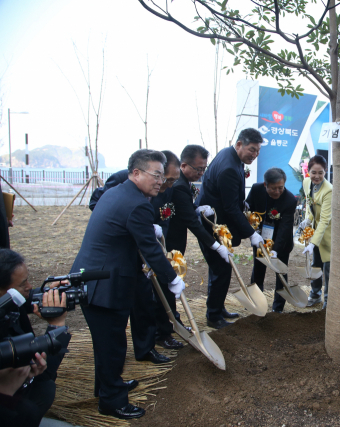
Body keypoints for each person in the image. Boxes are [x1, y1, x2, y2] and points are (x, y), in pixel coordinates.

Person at [70, 149, 185, 419]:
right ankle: (112, 401)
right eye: (155, 175)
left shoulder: (118, 192)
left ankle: (108, 386)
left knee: (106, 342)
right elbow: (151, 250)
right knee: (112, 345)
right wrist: (173, 278)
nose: (160, 181)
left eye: (162, 176)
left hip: (95, 276)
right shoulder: (137, 204)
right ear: (136, 173)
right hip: (103, 284)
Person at [89, 151, 184, 352]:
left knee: (144, 300)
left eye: (171, 180)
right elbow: (99, 205)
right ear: (139, 173)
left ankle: (146, 348)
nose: (165, 183)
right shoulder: (122, 181)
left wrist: (154, 229)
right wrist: (172, 277)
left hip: (142, 250)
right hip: (124, 252)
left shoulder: (164, 189)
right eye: (162, 177)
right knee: (121, 312)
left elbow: (163, 217)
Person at [198, 128, 264, 328]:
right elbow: (229, 208)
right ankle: (214, 316)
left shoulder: (230, 156)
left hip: (218, 219)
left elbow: (232, 200)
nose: (254, 155)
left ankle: (217, 307)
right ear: (239, 145)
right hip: (213, 224)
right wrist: (251, 233)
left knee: (220, 268)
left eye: (257, 151)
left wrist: (240, 201)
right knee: (221, 268)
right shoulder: (228, 167)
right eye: (251, 150)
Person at [166, 145, 237, 329]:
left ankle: (176, 321)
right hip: (170, 243)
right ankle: (170, 324)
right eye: (198, 169)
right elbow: (193, 224)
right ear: (184, 166)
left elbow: (186, 211)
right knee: (169, 284)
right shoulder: (179, 186)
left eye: (204, 168)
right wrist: (216, 245)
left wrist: (194, 209)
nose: (202, 173)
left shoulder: (185, 183)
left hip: (176, 241)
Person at [0, 249, 71, 427]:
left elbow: (26, 297)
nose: (30, 286)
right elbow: (45, 370)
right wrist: (57, 325)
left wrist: (47, 292)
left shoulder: (8, 303)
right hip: (11, 411)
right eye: (23, 283)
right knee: (44, 388)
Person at [245, 168, 297, 313]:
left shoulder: (290, 200)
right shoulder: (256, 189)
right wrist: (252, 231)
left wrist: (275, 250)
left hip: (282, 243)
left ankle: (278, 307)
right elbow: (248, 209)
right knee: (259, 270)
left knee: (281, 272)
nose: (277, 192)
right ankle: (255, 301)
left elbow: (285, 228)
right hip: (261, 238)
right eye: (273, 188)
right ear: (265, 185)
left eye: (280, 188)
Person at [301, 155, 332, 309]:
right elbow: (309, 203)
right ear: (308, 171)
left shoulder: (329, 190)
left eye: (321, 173)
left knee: (327, 267)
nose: (317, 176)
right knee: (316, 265)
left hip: (327, 233)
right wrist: (308, 218)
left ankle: (328, 300)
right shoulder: (307, 182)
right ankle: (315, 295)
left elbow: (325, 220)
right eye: (314, 172)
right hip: (315, 228)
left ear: (325, 172)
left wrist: (313, 243)